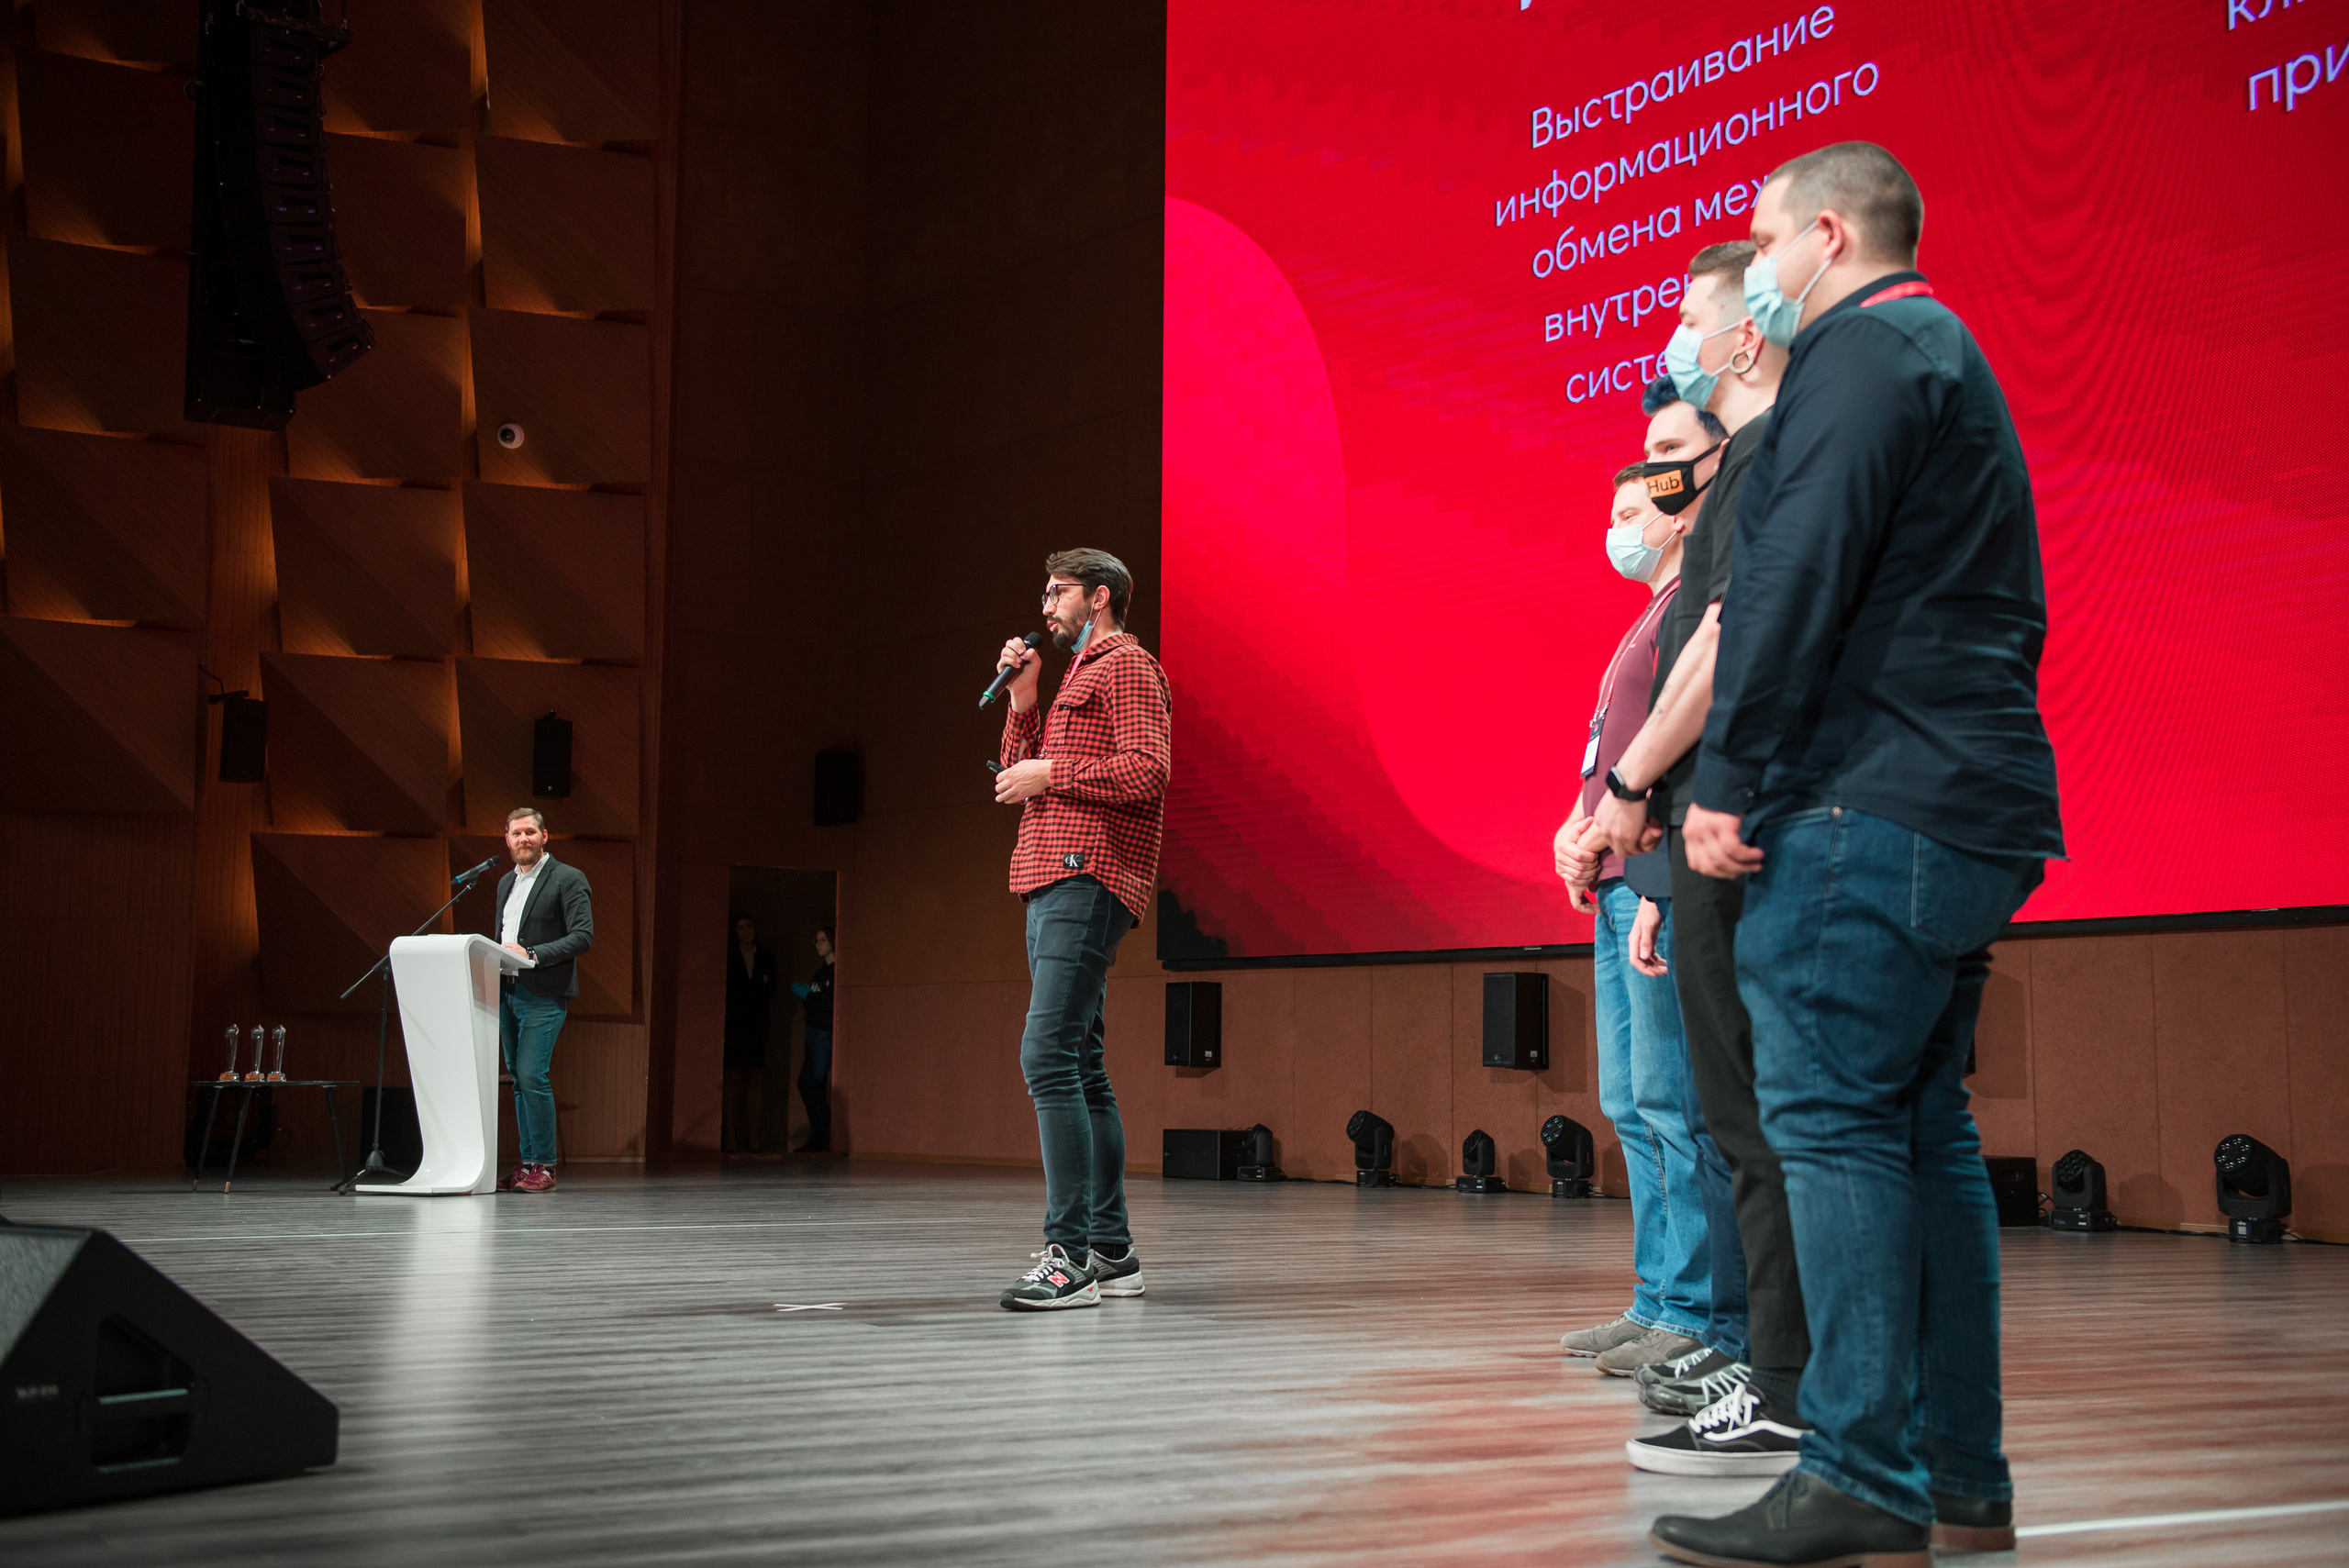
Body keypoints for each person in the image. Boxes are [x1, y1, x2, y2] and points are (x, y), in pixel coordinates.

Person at [1648, 141, 2061, 1567]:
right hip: (1966, 801)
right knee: (1923, 1135)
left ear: (1826, 234)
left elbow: (1790, 577)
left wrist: (1729, 780)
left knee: (1825, 1125)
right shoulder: (1944, 355)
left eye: (1763, 243)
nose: (1754, 272)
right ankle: (1960, 1477)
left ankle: (1860, 1473)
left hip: (1862, 805)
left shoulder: (1861, 354)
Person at [1583, 240, 1806, 1477]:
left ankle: (1766, 1363)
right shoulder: (1737, 496)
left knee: (1746, 1125)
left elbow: (1727, 647)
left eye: (1663, 472)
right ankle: (1758, 1359)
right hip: (1679, 843)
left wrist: (1631, 803)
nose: (1671, 333)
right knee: (1682, 1111)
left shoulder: (1777, 456)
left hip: (1744, 832)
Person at [1551, 449, 1710, 1379]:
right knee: (1627, 1101)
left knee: (1670, 1099)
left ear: (1682, 514)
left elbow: (1676, 752)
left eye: (1631, 509)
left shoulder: (1691, 610)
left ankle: (1689, 1308)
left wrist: (1643, 871)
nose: (1615, 526)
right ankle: (1654, 1296)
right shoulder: (1639, 623)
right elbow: (1603, 762)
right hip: (1613, 882)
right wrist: (1574, 832)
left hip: (1656, 880)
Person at [990, 548, 1171, 1310]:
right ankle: (1112, 1252)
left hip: (1088, 873)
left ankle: (1066, 1257)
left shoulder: (1127, 666)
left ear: (1098, 598)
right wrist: (1023, 701)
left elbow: (1148, 769)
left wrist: (1052, 771)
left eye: (1057, 591)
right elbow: (1012, 777)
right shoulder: (1070, 675)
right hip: (1050, 873)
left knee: (1048, 1054)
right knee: (1082, 1064)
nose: (1045, 605)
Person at [493, 806, 594, 1194]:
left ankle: (545, 1165)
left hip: (544, 992)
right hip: (507, 991)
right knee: (518, 1078)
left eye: (530, 833)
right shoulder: (505, 883)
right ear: (507, 839)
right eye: (516, 833)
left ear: (544, 836)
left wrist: (532, 954)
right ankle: (528, 1162)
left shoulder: (567, 878)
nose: (524, 839)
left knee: (533, 1075)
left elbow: (583, 936)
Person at [723, 913, 777, 1154]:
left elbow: (771, 987)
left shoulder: (766, 956)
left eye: (749, 926)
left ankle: (753, 1140)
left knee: (756, 1078)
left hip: (757, 1025)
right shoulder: (729, 955)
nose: (746, 931)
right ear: (735, 932)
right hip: (734, 1025)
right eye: (740, 927)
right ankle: (730, 1138)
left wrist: (755, 987)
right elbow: (734, 990)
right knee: (733, 1078)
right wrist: (757, 985)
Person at [788, 929, 836, 1152]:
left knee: (809, 1082)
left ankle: (825, 1132)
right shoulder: (819, 974)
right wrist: (809, 997)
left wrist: (811, 996)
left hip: (824, 1033)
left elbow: (830, 1005)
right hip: (813, 1030)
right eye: (816, 940)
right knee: (810, 1083)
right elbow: (816, 1004)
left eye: (823, 939)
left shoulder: (836, 972)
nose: (818, 944)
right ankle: (823, 1133)